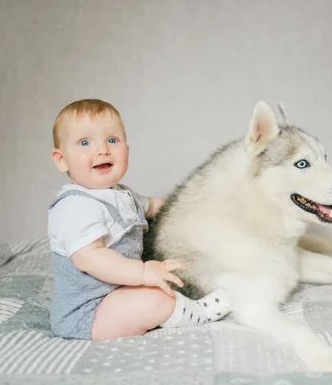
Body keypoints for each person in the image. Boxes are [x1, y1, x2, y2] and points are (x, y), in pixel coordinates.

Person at [47, 99, 231, 341]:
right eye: (85, 142)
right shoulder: (75, 207)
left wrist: (189, 208)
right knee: (156, 299)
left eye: (112, 140)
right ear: (61, 160)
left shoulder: (121, 195)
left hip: (117, 296)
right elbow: (90, 258)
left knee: (164, 285)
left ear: (127, 150)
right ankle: (200, 313)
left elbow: (154, 207)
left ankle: (175, 304)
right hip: (88, 315)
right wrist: (142, 272)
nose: (102, 149)